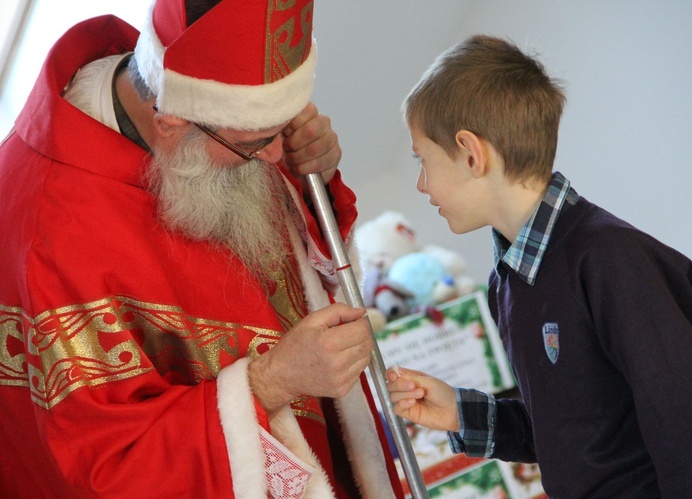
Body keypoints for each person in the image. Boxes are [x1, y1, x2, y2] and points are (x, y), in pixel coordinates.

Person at [0, 0, 403, 497]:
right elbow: (106, 468)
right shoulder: (49, 230)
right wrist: (271, 382)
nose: (274, 156)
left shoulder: (196, 106)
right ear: (168, 120)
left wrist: (307, 178)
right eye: (257, 144)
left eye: (281, 132)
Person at [386, 34, 692, 498]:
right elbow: (573, 434)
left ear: (471, 153)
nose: (420, 183)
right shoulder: (510, 282)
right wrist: (460, 412)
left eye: (423, 160)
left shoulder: (613, 262)